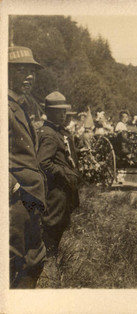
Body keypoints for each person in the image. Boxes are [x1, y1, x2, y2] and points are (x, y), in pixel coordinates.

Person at [8, 45, 47, 288]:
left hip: (32, 196)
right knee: (13, 258)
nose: (29, 76)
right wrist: (12, 187)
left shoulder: (21, 106)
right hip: (18, 198)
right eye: (22, 70)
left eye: (32, 71)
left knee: (34, 258)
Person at [37, 92, 80, 258]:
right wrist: (64, 173)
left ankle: (51, 256)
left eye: (64, 111)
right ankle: (48, 259)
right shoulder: (48, 134)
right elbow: (43, 162)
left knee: (60, 223)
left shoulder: (57, 131)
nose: (63, 115)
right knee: (53, 224)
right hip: (56, 190)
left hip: (64, 188)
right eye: (59, 111)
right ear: (49, 112)